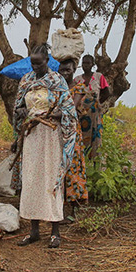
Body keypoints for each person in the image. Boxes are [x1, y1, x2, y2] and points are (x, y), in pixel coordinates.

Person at [11, 44, 77, 248]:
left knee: (50, 179)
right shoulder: (26, 80)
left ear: (47, 61)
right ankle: (34, 230)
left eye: (39, 63)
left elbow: (69, 110)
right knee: (31, 180)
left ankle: (55, 231)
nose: (35, 66)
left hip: (50, 136)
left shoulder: (57, 81)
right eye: (33, 63)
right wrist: (21, 112)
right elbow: (19, 106)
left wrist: (55, 114)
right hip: (32, 136)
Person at [59, 58, 88, 207]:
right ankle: (59, 206)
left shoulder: (79, 87)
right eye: (62, 70)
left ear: (74, 70)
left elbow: (70, 109)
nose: (64, 73)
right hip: (57, 131)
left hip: (72, 132)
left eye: (68, 70)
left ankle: (73, 208)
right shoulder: (56, 87)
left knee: (73, 166)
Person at [73, 54, 110, 158]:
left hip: (95, 114)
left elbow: (106, 92)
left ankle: (95, 162)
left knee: (96, 138)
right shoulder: (77, 79)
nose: (85, 65)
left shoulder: (99, 77)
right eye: (84, 63)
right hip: (81, 114)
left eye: (88, 63)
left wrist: (97, 103)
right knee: (82, 136)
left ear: (93, 64)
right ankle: (82, 160)